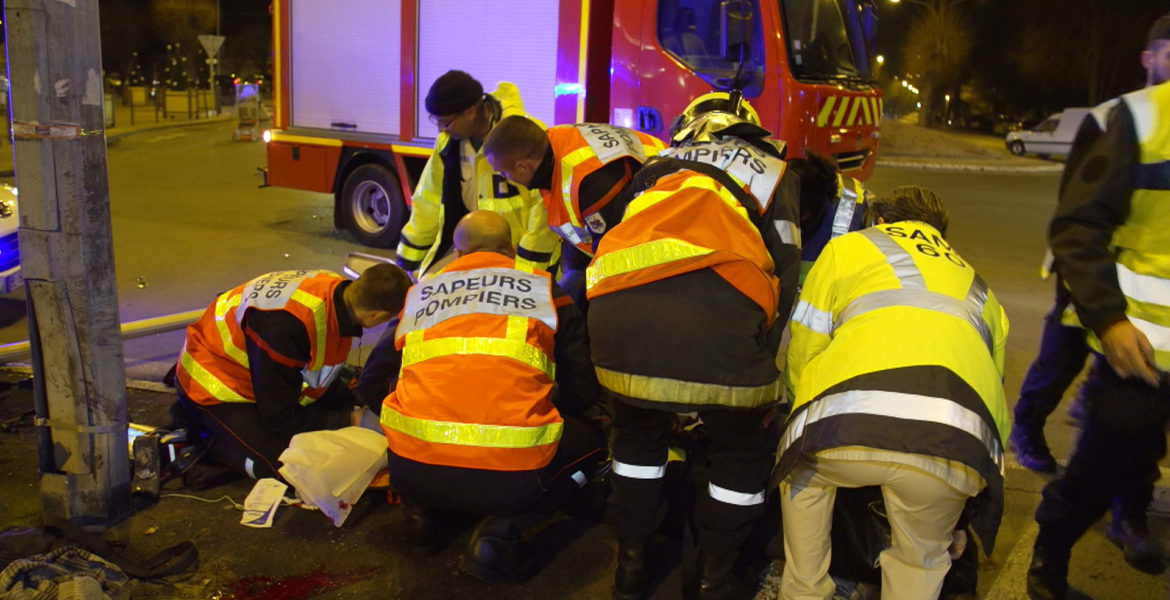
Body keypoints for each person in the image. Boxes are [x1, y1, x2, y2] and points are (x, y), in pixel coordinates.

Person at [586, 91, 804, 600]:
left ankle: (631, 566)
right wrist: (765, 362)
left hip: (622, 324)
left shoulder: (655, 167)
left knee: (636, 441)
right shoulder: (773, 170)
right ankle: (714, 575)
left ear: (687, 127)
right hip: (722, 328)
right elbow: (787, 270)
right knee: (740, 449)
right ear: (747, 129)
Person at [776, 186, 1010, 600]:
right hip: (951, 446)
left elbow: (805, 346)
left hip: (844, 429)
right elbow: (993, 394)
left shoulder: (850, 247)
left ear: (881, 221)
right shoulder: (982, 291)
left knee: (804, 479)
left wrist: (798, 412)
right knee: (919, 564)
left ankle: (805, 589)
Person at [378, 211, 606, 583]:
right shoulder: (545, 290)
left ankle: (421, 516)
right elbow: (581, 389)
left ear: (456, 251)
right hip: (510, 482)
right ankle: (501, 531)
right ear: (510, 248)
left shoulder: (420, 294)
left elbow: (373, 380)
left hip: (410, 470)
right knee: (591, 441)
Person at [1027, 14, 1170, 599]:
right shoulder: (1137, 120)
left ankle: (1131, 521)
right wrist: (1107, 319)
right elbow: (1077, 225)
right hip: (1138, 348)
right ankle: (1048, 565)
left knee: (1140, 458)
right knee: (1101, 464)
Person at [172, 264, 411, 480]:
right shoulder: (285, 328)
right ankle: (208, 436)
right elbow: (279, 416)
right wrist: (348, 418)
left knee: (320, 435)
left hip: (255, 374)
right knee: (286, 467)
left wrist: (354, 405)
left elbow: (318, 372)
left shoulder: (336, 291)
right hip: (212, 384)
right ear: (377, 315)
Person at [483, 116, 666, 306]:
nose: (506, 178)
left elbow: (615, 260)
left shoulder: (589, 182)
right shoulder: (550, 145)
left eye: (504, 173)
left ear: (523, 166)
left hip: (664, 235)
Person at [394, 70, 560, 278]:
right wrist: (407, 259)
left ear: (471, 111)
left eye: (445, 122)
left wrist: (528, 264)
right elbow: (429, 199)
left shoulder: (520, 135)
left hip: (514, 255)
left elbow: (544, 204)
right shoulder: (448, 145)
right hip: (472, 254)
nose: (440, 130)